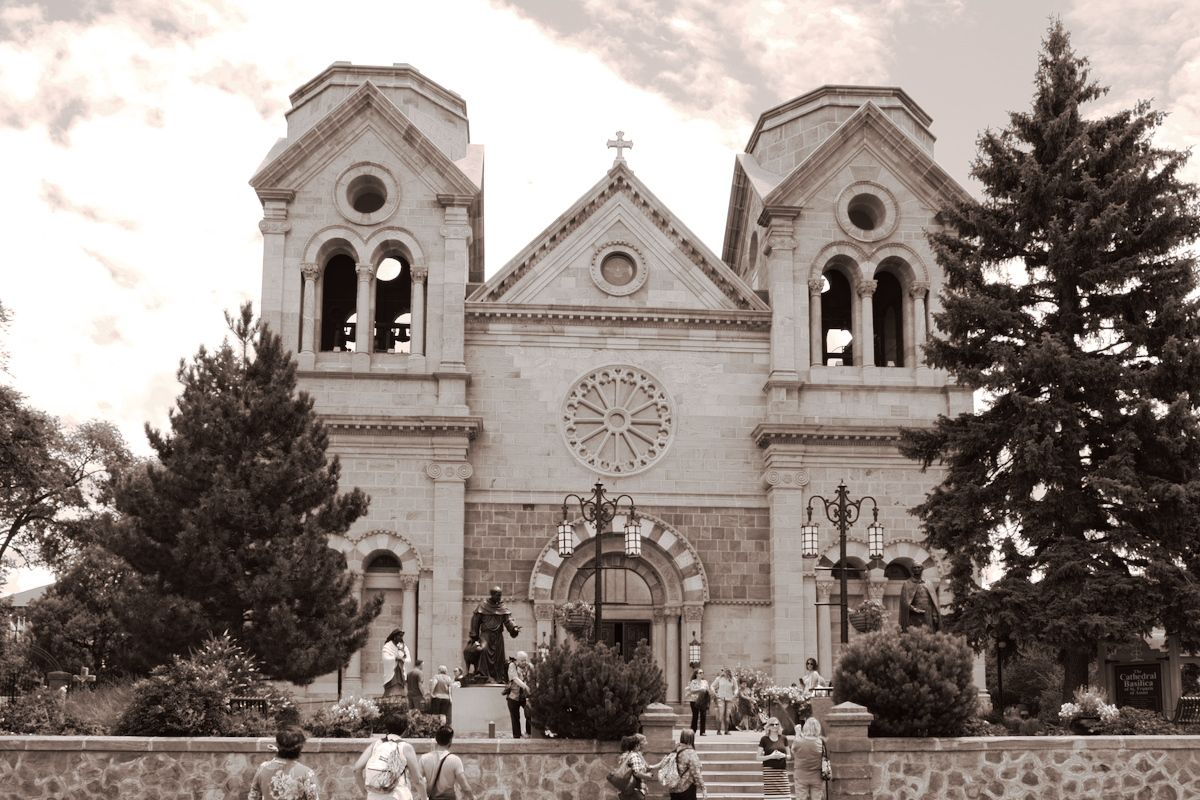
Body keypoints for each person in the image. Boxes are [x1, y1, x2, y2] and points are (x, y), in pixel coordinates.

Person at [353, 715, 423, 800]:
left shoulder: (376, 744)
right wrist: (425, 797)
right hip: (397, 795)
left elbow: (357, 769)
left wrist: (365, 792)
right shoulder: (405, 747)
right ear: (405, 730)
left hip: (374, 795)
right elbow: (418, 780)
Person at [247, 728, 319, 800]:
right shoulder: (307, 773)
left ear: (277, 745)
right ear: (300, 748)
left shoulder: (263, 768)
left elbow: (253, 797)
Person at [469, 586, 521, 682]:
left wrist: (514, 628)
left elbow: (508, 620)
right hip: (486, 635)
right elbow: (475, 620)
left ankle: (498, 677)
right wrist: (474, 634)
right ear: (492, 595)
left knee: (499, 657)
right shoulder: (483, 606)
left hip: (498, 636)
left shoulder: (502, 607)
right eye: (497, 595)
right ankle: (482, 674)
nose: (499, 597)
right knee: (483, 650)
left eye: (500, 595)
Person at [419, 725, 478, 800]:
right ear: (450, 740)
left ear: (436, 739)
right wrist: (472, 797)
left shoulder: (424, 758)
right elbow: (465, 787)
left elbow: (418, 781)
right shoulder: (454, 760)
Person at [790, 717, 827, 800]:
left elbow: (793, 751)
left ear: (805, 727)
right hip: (817, 775)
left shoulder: (798, 741)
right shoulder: (821, 742)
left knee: (801, 798)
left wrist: (797, 733)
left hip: (801, 774)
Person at [615, 733, 660, 800]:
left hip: (624, 790)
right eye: (639, 744)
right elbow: (636, 773)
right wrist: (647, 776)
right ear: (636, 746)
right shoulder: (634, 755)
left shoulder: (624, 755)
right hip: (634, 791)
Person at [665, 729, 707, 800]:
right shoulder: (691, 753)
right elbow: (696, 772)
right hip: (686, 788)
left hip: (673, 787)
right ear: (692, 739)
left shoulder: (675, 750)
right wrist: (703, 788)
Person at [899, 563, 941, 631]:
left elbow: (933, 601)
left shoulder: (928, 583)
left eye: (918, 567)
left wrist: (934, 614)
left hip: (928, 613)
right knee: (915, 634)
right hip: (914, 615)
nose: (917, 569)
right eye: (914, 568)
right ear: (912, 570)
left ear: (922, 569)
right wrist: (913, 609)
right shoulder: (907, 583)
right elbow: (904, 601)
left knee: (929, 633)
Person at [757, 717, 790, 798]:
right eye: (772, 724)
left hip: (782, 771)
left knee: (785, 796)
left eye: (777, 724)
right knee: (771, 797)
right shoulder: (764, 739)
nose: (775, 726)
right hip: (769, 771)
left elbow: (789, 756)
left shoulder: (784, 738)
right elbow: (758, 757)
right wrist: (771, 756)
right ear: (768, 726)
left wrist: (783, 755)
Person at [506, 650, 533, 738]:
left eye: (525, 660)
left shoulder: (530, 667)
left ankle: (529, 733)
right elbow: (515, 678)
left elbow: (534, 678)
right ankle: (517, 736)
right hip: (513, 696)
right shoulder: (512, 666)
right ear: (517, 660)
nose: (524, 662)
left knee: (530, 714)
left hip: (526, 696)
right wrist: (525, 686)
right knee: (515, 718)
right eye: (522, 660)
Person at [381, 629, 410, 698]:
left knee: (401, 688)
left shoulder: (402, 646)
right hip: (392, 671)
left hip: (400, 670)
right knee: (392, 688)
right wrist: (395, 658)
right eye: (399, 636)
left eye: (402, 636)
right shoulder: (387, 646)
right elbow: (385, 658)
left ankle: (400, 694)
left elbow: (408, 659)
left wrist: (403, 658)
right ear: (395, 637)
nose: (401, 638)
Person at [709, 668, 738, 735]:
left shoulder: (733, 679)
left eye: (724, 671)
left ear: (728, 672)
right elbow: (712, 686)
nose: (723, 672)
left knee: (727, 714)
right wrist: (714, 693)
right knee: (721, 713)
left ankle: (726, 730)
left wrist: (735, 694)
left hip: (729, 698)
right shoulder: (719, 678)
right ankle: (718, 730)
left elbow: (736, 688)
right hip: (720, 697)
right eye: (722, 671)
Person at [685, 669, 711, 736]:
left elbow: (708, 690)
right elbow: (692, 690)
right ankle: (693, 730)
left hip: (703, 701)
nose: (702, 674)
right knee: (695, 716)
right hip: (694, 700)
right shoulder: (693, 681)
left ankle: (702, 731)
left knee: (703, 716)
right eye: (700, 672)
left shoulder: (705, 682)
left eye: (702, 672)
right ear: (696, 674)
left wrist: (707, 693)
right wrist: (701, 690)